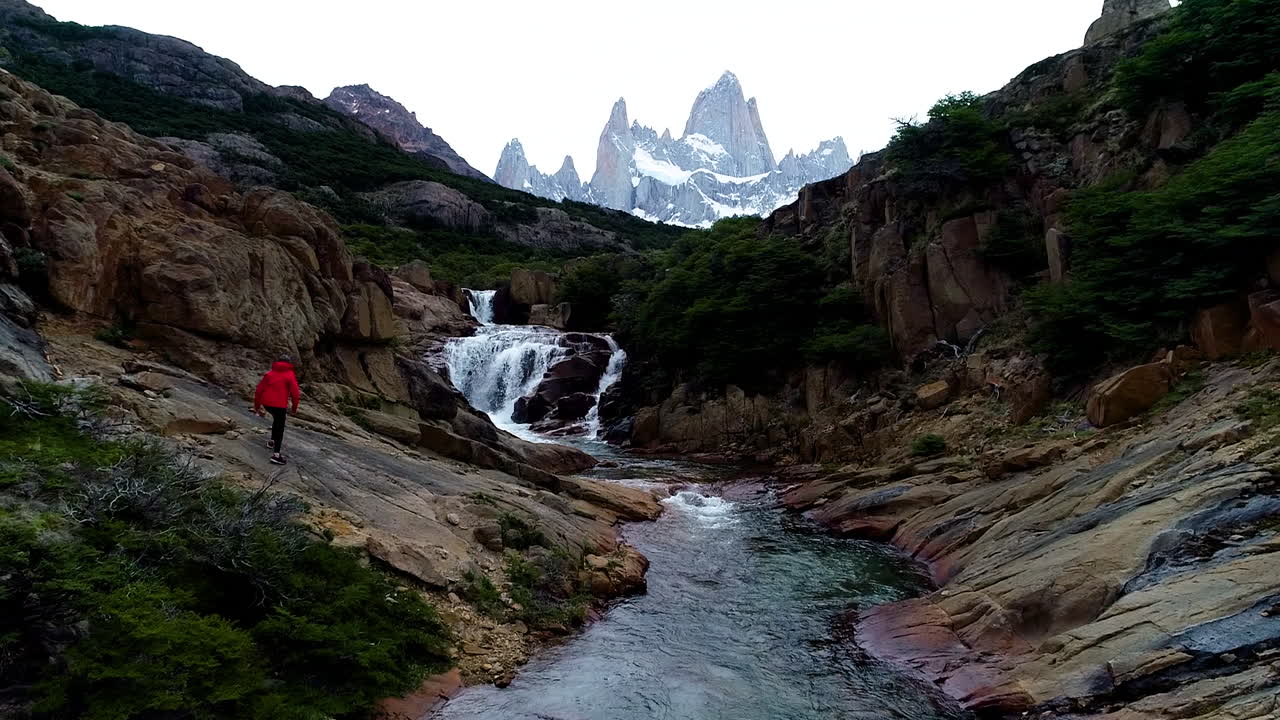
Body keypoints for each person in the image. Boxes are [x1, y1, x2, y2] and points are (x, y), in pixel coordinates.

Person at [253, 355, 300, 466]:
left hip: (267, 403)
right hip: (279, 405)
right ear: (289, 363)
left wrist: (257, 406)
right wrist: (294, 408)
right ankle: (276, 455)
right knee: (280, 427)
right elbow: (295, 393)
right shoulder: (290, 375)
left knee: (276, 420)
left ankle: (272, 441)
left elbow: (259, 390)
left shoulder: (269, 374)